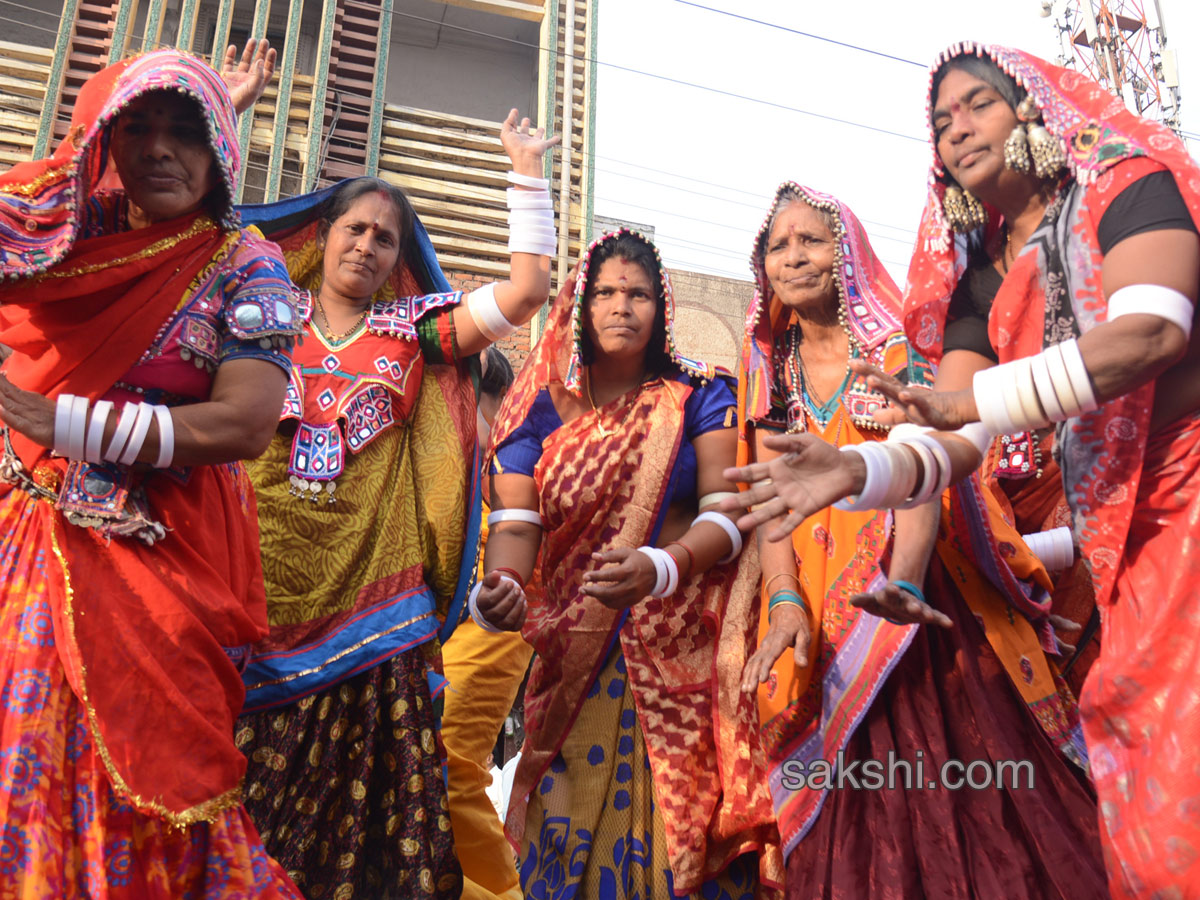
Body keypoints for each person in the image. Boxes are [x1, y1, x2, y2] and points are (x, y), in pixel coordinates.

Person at [726, 44, 1200, 900]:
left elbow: (1153, 334)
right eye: (941, 122)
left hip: (1189, 499)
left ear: (1036, 113)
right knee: (1147, 789)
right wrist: (852, 474)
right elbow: (949, 443)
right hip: (1120, 544)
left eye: (977, 105)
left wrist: (973, 400)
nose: (956, 129)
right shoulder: (977, 279)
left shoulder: (1124, 184)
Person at [733, 182, 1105, 898]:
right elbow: (769, 497)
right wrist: (783, 604)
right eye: (778, 246)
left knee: (957, 788)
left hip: (919, 605)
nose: (793, 257)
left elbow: (925, 473)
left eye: (811, 240)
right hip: (818, 611)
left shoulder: (896, 349)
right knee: (844, 806)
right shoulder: (769, 371)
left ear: (845, 254)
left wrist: (899, 586)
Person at [232, 113, 559, 898]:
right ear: (323, 232)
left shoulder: (413, 330)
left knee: (363, 808)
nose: (367, 245)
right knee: (228, 786)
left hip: (376, 601)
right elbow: (205, 240)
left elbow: (525, 292)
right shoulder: (262, 310)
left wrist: (525, 174)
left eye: (385, 237)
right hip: (255, 584)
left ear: (398, 257)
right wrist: (231, 116)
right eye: (355, 228)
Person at [0, 50, 302, 895]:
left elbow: (243, 424)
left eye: (188, 135)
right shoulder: (73, 225)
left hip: (158, 553)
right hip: (25, 521)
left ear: (221, 156)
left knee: (147, 771)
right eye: (140, 129)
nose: (162, 152)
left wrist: (67, 422)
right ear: (104, 140)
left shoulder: (247, 265)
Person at [477, 229, 783, 898]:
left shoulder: (699, 397)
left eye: (639, 293)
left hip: (683, 653)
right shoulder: (535, 417)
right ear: (581, 308)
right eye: (608, 292)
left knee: (683, 844)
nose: (623, 306)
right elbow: (514, 528)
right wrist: (496, 589)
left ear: (661, 308)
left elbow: (726, 514)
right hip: (575, 655)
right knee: (568, 842)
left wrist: (662, 568)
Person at [442, 344, 533, 900]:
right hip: (432, 625)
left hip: (496, 614)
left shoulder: (511, 462)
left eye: (462, 403)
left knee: (449, 760)